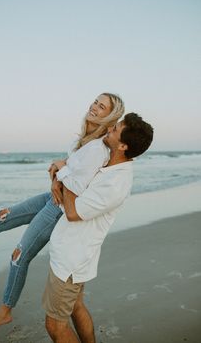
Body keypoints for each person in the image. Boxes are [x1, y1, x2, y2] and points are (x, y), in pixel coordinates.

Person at [0, 93, 125, 331]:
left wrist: (59, 172)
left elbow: (77, 186)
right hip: (52, 197)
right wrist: (55, 175)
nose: (94, 107)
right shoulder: (82, 139)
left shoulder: (97, 149)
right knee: (4, 215)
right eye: (95, 101)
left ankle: (5, 310)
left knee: (19, 255)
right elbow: (65, 167)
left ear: (109, 116)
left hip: (59, 209)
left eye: (101, 107)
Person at [42, 113, 154, 343]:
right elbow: (73, 196)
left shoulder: (115, 184)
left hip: (71, 260)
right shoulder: (107, 165)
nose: (109, 129)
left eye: (115, 129)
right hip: (75, 253)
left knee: (55, 326)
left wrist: (63, 172)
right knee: (76, 306)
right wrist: (62, 178)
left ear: (123, 145)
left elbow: (73, 213)